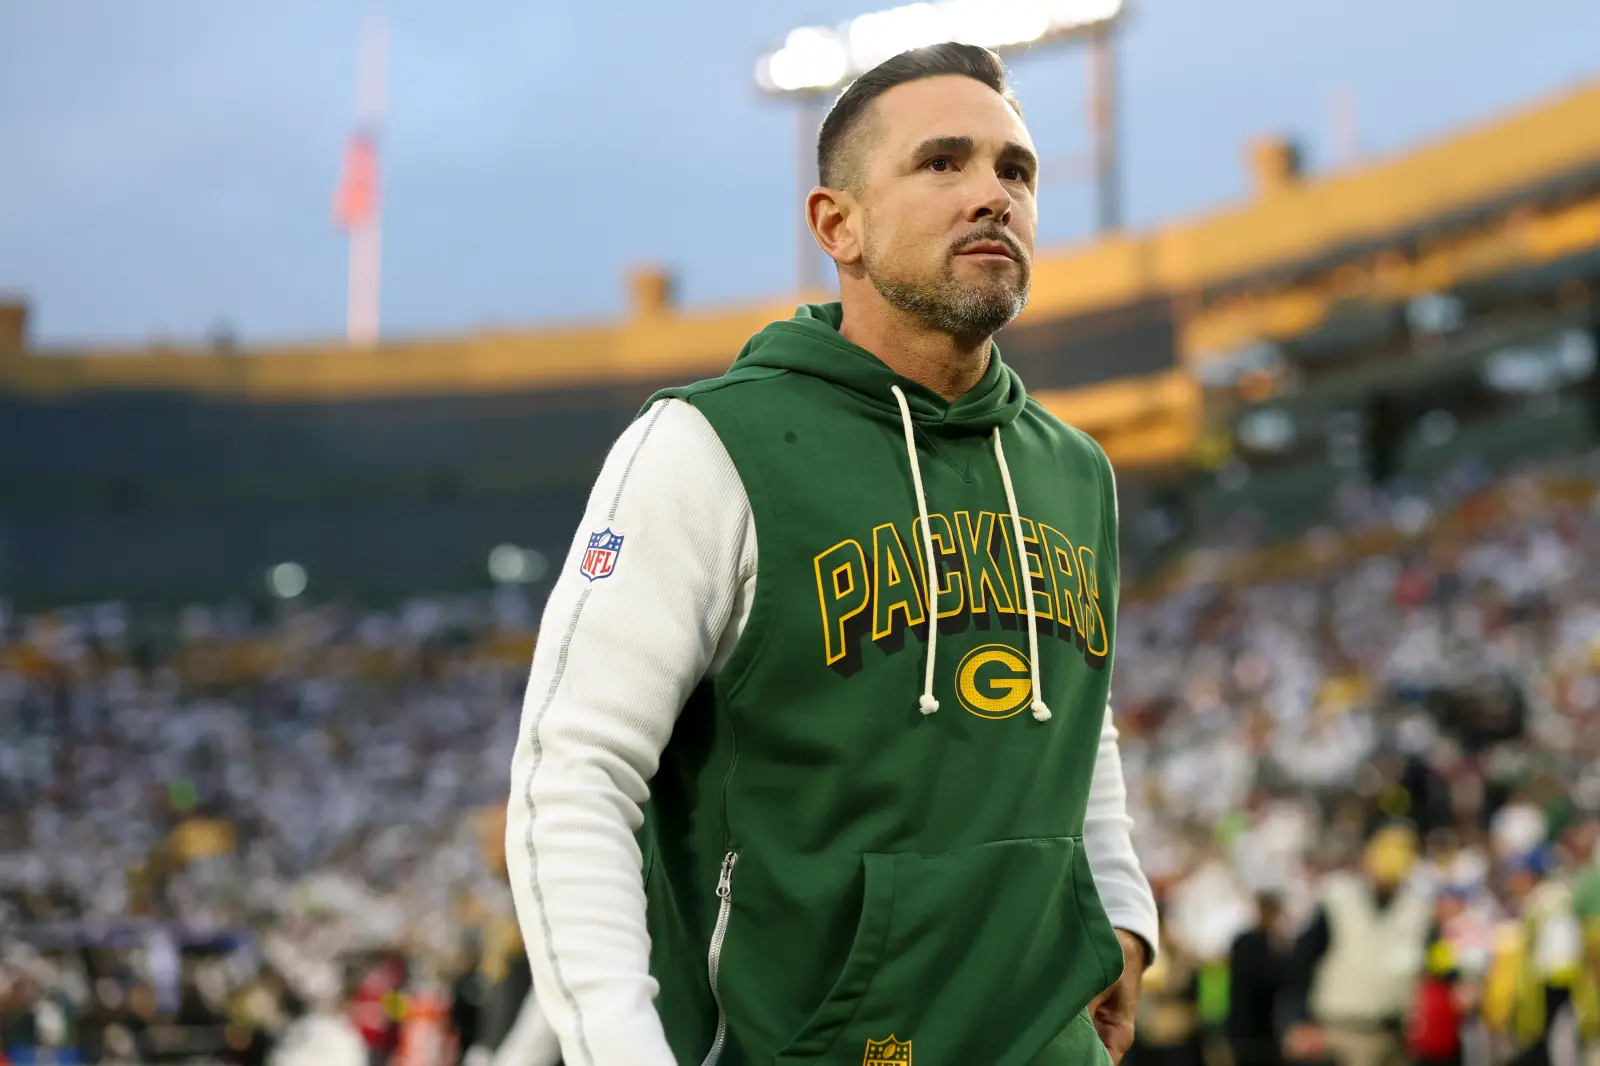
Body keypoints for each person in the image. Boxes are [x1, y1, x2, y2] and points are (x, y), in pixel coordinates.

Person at [505, 42, 1158, 1066]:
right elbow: (574, 771)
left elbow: (1080, 718)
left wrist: (1118, 907)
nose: (993, 194)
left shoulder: (1075, 470)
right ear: (835, 224)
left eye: (1016, 170)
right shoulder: (706, 446)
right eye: (942, 162)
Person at [1282, 825, 1433, 1066]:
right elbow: (1302, 961)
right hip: (1342, 1030)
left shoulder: (1418, 908)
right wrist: (1298, 1019)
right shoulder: (1338, 900)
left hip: (1396, 1033)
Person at [1227, 893, 1291, 1066]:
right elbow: (1266, 980)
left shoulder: (1247, 942)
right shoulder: (1254, 945)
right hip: (1251, 1030)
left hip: (1259, 1029)